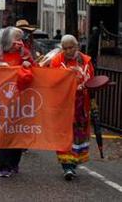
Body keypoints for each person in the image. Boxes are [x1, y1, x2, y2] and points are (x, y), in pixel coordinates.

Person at [0, 27, 35, 178]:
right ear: (8, 41)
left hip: (21, 99)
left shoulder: (25, 53)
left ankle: (14, 163)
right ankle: (4, 166)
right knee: (3, 132)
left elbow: (37, 70)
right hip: (2, 100)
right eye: (17, 40)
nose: (20, 43)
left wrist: (29, 66)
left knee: (18, 131)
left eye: (21, 40)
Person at [49, 35, 94, 181]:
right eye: (65, 48)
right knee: (64, 135)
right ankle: (66, 166)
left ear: (77, 46)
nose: (68, 51)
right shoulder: (56, 61)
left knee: (78, 136)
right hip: (64, 105)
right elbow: (52, 81)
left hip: (81, 105)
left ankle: (73, 164)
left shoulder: (86, 61)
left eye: (71, 47)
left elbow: (92, 80)